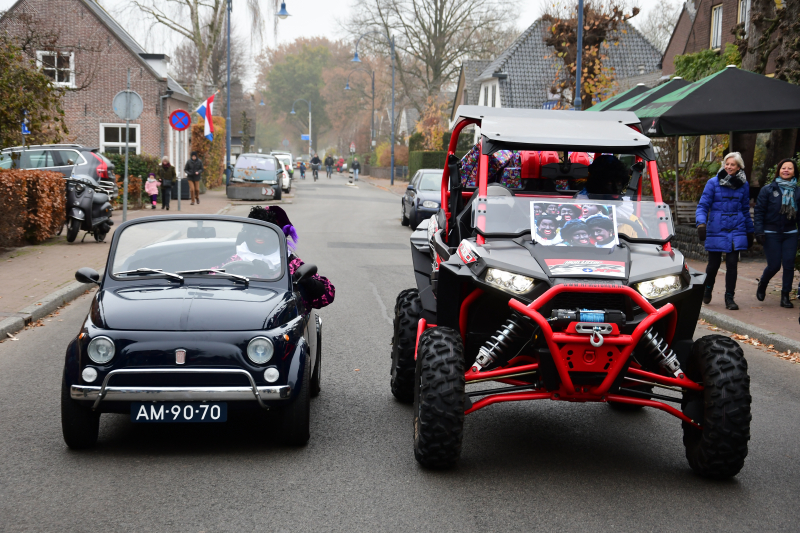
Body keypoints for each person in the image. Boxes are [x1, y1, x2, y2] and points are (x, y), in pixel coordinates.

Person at [245, 206, 335, 312]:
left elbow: (327, 295)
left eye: (265, 231)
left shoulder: (291, 263)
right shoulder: (236, 258)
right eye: (254, 230)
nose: (258, 235)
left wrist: (305, 281)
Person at [696, 152, 754, 310]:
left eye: (732, 164)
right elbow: (702, 206)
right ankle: (708, 289)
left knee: (732, 264)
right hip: (717, 228)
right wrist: (701, 224)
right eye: (727, 164)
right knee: (713, 265)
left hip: (736, 228)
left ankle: (729, 298)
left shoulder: (744, 185)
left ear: (739, 167)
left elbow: (744, 209)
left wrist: (750, 231)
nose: (729, 167)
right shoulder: (712, 183)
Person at [754, 158, 800, 308]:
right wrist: (759, 231)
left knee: (788, 264)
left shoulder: (798, 191)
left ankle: (785, 296)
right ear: (778, 171)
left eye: (789, 168)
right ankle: (763, 283)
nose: (786, 170)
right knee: (774, 266)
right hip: (771, 232)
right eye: (783, 168)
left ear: (794, 172)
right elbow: (759, 212)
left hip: (791, 232)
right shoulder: (768, 189)